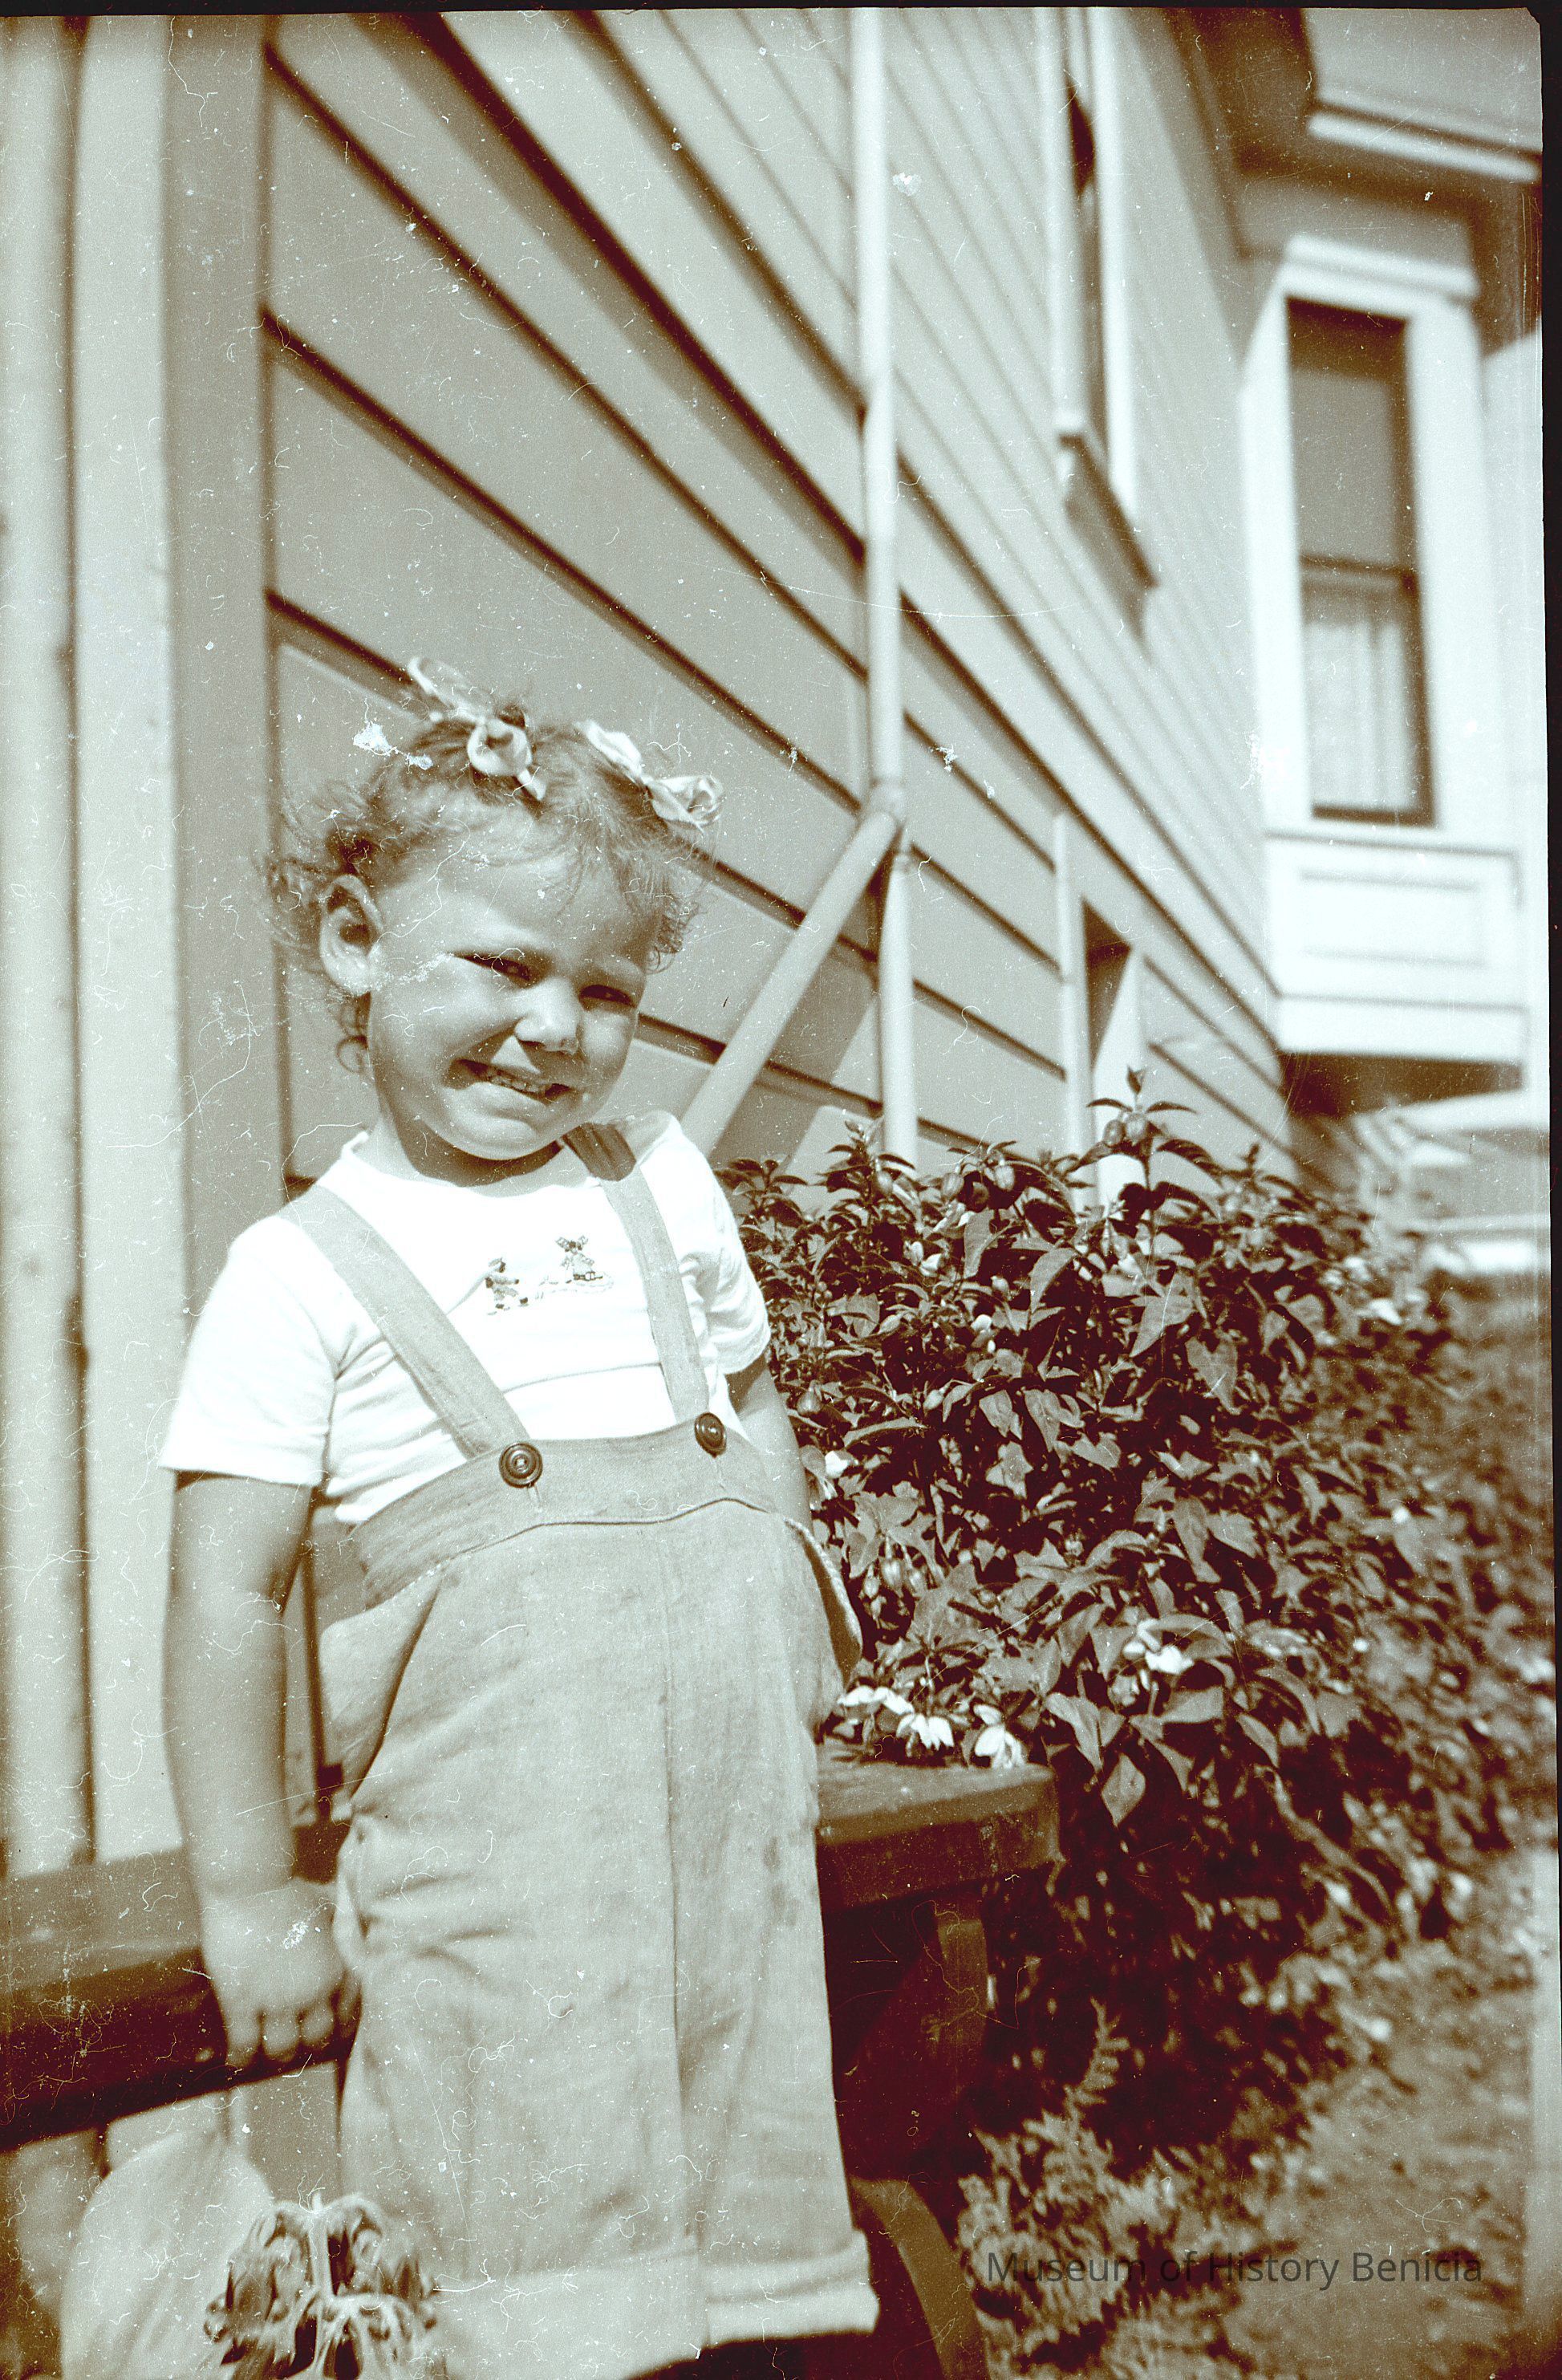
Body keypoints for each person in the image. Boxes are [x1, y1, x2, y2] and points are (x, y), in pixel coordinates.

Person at [160, 660, 878, 2380]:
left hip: (724, 1858)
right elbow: (225, 1593)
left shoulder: (660, 1182)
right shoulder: (299, 1273)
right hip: (490, 1897)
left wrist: (792, 1622)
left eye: (604, 989)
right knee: (513, 2267)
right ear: (357, 943)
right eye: (501, 965)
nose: (555, 1026)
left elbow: (751, 1414)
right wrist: (248, 1894)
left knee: (740, 2244)